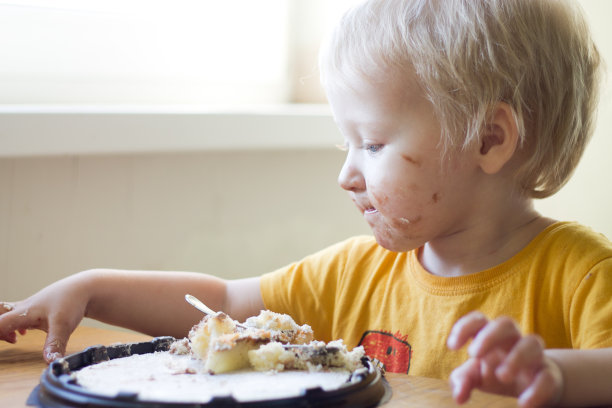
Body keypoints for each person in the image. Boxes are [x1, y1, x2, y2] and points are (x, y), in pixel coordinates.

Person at [1, 0, 610, 406]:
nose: (346, 173)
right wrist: (92, 287)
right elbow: (225, 303)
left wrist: (552, 375)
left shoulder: (581, 273)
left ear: (490, 138)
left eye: (371, 143)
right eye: (346, 143)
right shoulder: (353, 273)